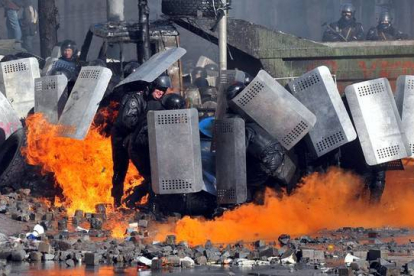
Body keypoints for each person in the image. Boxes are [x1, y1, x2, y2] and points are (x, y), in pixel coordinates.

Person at [110, 74, 172, 208]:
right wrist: (145, 124)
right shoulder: (135, 99)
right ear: (152, 87)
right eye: (158, 88)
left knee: (151, 171)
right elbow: (127, 121)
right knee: (120, 170)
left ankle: (138, 199)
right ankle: (116, 201)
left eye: (164, 89)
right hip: (122, 137)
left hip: (138, 139)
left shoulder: (157, 101)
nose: (161, 92)